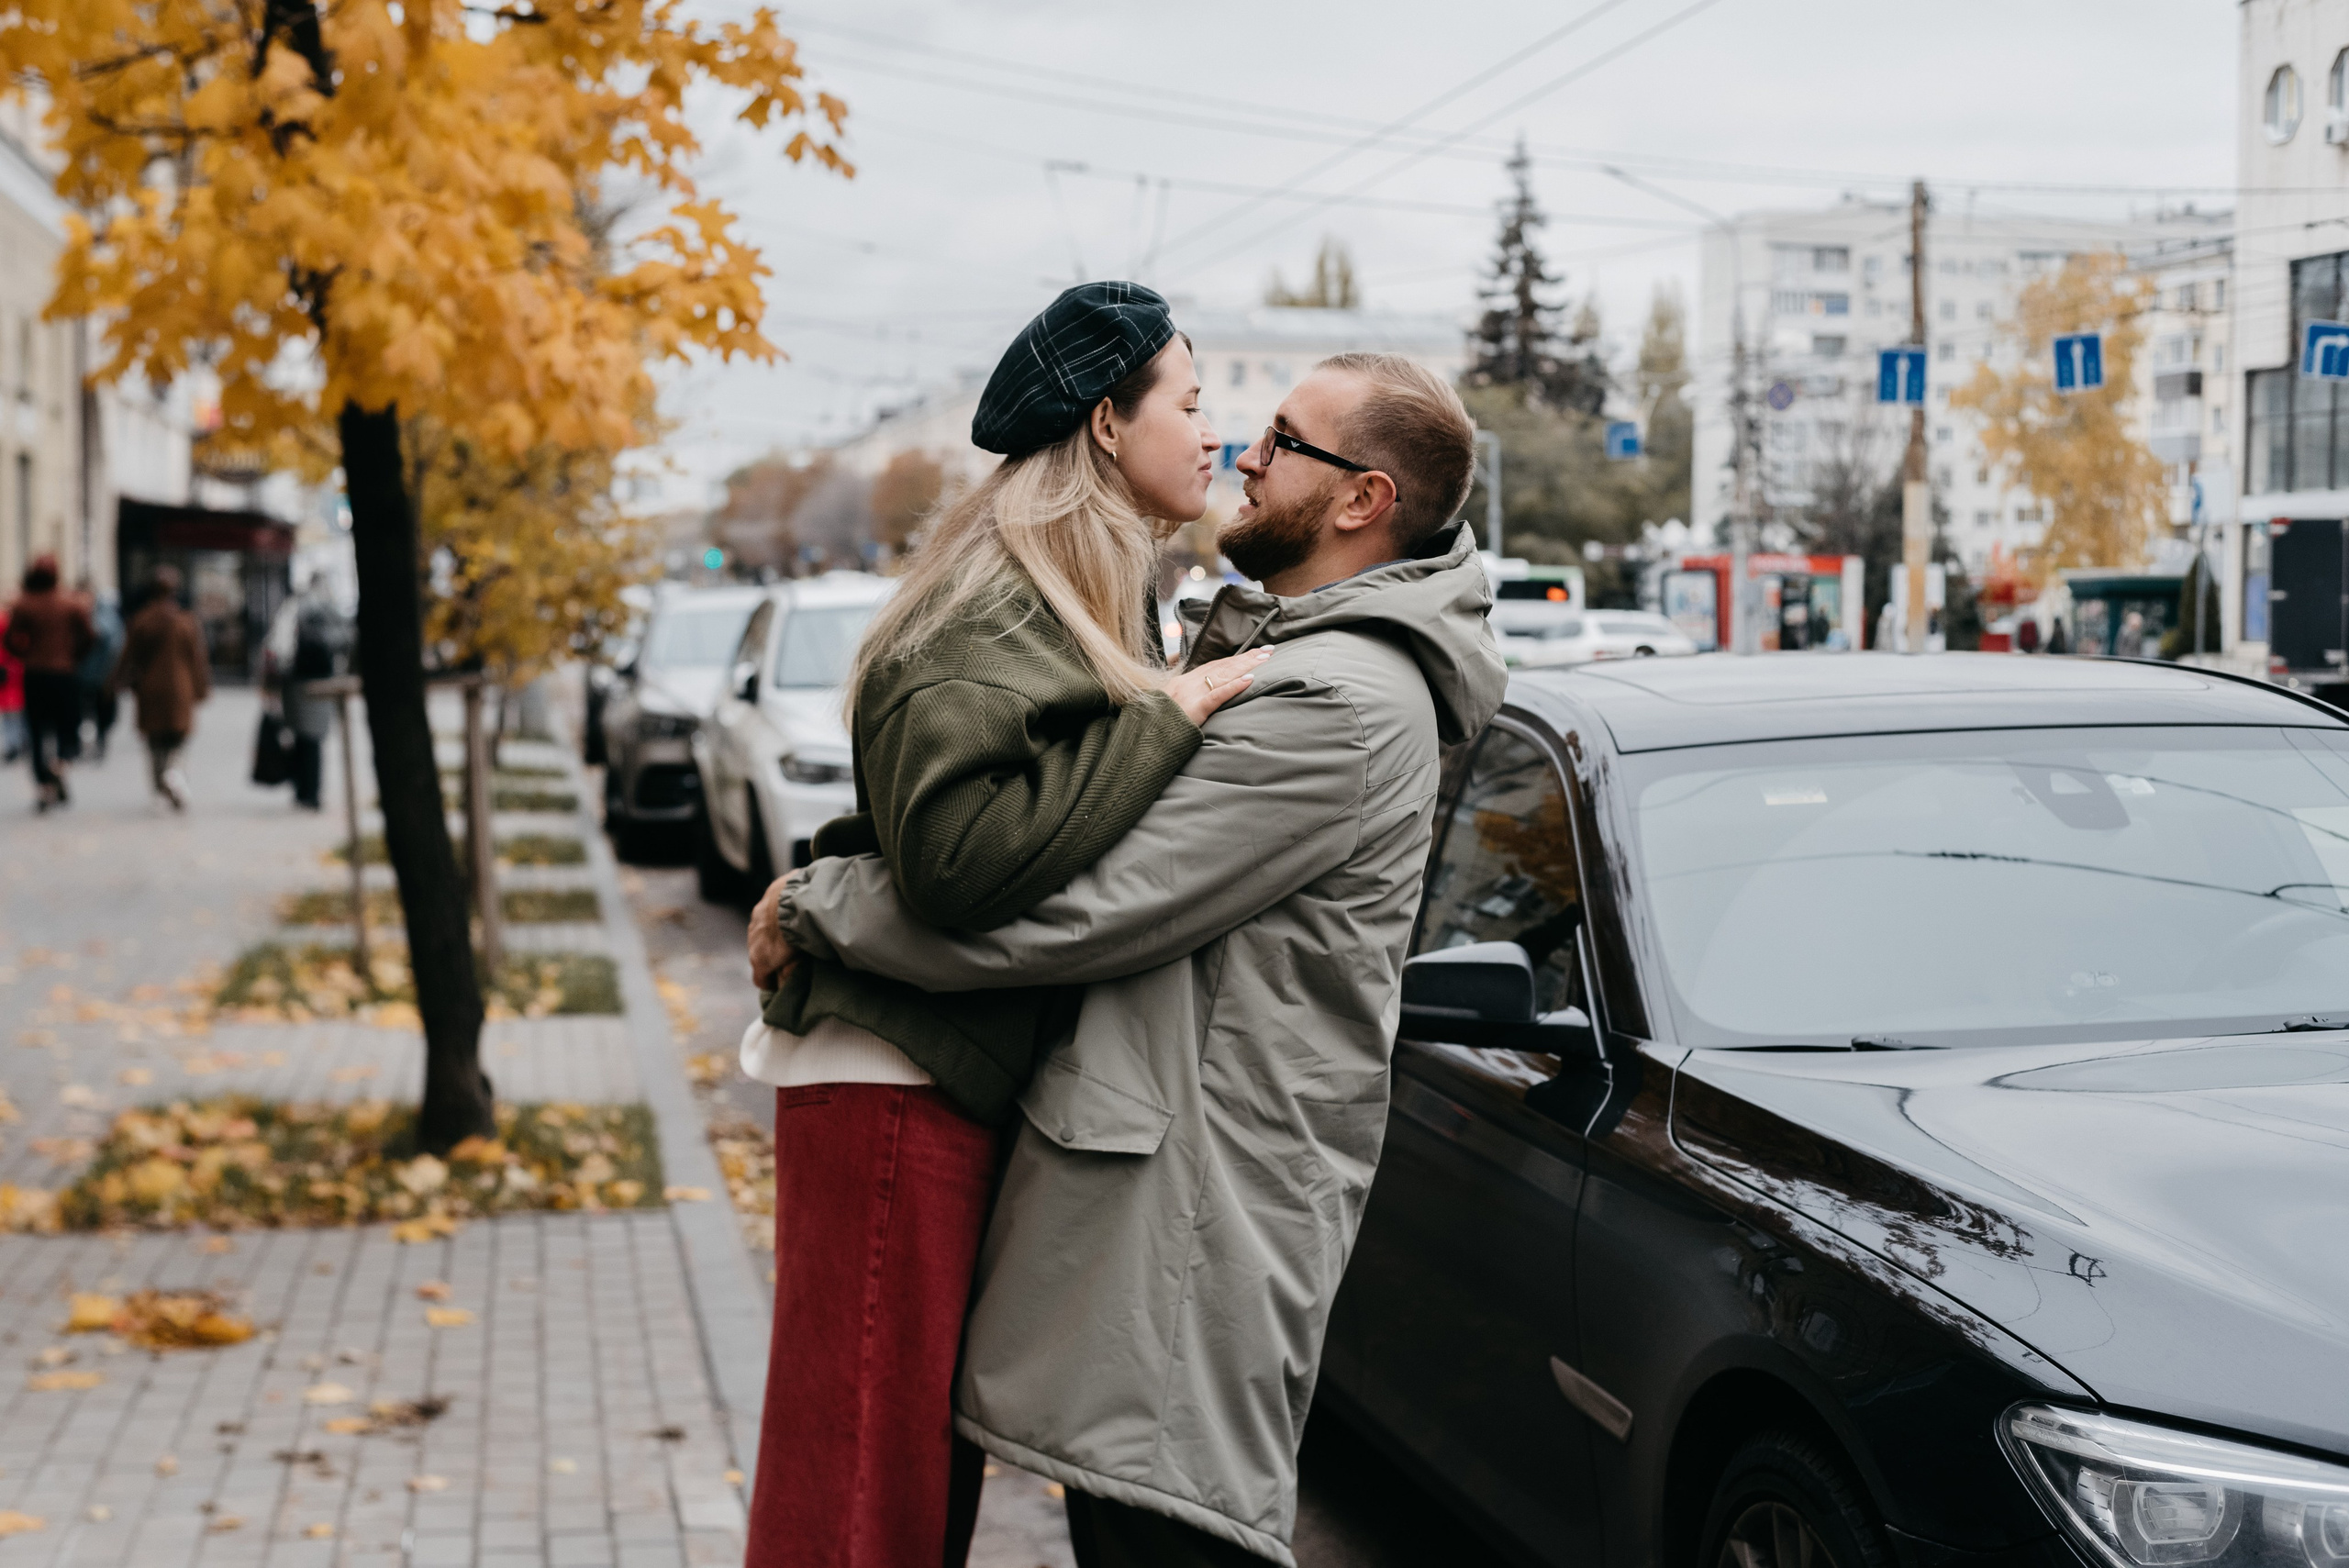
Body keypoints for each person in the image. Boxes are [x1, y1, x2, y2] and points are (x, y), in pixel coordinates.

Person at [751, 350, 1508, 1567]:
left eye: (1282, 440)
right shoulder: (1285, 656)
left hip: (1194, 1232)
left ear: (1363, 500)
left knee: (1167, 1540)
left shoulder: (1340, 698)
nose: (1245, 456)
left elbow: (1079, 909)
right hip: (1161, 1212)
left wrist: (825, 903)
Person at [737, 282, 1268, 1568]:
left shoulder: (1082, 592)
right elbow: (958, 858)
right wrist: (1173, 713)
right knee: (859, 1504)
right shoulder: (997, 606)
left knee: (909, 1495)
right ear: (1104, 422)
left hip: (939, 1077)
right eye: (1190, 404)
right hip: (889, 1093)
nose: (1219, 434)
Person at [110, 565, 210, 810]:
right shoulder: (186, 622)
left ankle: (158, 788)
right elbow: (197, 659)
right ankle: (174, 773)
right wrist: (201, 688)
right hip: (180, 688)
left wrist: (115, 682)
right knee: (179, 738)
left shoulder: (142, 620)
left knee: (154, 742)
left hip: (150, 688)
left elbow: (128, 657)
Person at [4, 555, 95, 811]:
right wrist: (73, 657)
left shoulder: (25, 605)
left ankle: (45, 786)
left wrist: (26, 655)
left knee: (36, 732)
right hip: (65, 674)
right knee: (67, 728)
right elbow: (90, 636)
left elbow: (10, 639)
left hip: (35, 675)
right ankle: (61, 763)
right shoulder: (71, 603)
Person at [264, 571, 353, 809]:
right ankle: (309, 791)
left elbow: (277, 648)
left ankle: (305, 790)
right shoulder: (328, 608)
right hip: (321, 679)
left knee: (303, 737)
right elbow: (346, 640)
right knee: (313, 739)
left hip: (296, 680)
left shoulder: (296, 607)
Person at [76, 580, 124, 761]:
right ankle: (85, 743)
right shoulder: (77, 613)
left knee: (101, 711)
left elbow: (112, 642)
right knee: (84, 711)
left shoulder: (105, 614)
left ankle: (100, 741)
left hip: (102, 674)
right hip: (82, 673)